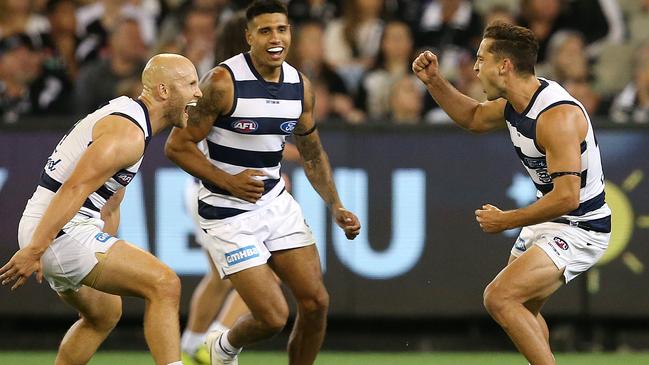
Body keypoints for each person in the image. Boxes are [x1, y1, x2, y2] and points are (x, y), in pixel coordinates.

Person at [164, 1, 361, 364]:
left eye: (282, 30)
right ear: (249, 36)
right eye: (266, 31)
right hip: (226, 212)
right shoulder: (222, 83)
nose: (275, 38)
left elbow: (313, 154)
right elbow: (177, 147)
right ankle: (221, 347)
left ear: (290, 34)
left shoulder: (299, 87)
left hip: (275, 203)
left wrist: (336, 205)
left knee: (316, 303)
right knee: (272, 317)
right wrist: (228, 181)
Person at [412, 22, 611, 365]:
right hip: (550, 218)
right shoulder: (513, 105)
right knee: (525, 311)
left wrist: (507, 220)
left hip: (581, 228)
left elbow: (568, 197)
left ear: (503, 66)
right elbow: (473, 117)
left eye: (480, 58)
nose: (475, 67)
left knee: (500, 299)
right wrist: (435, 82)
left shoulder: (556, 116)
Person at [0, 53, 203, 365]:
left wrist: (99, 248)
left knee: (105, 314)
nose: (198, 93)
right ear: (164, 91)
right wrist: (37, 249)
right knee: (164, 283)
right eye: (191, 84)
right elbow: (75, 188)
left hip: (55, 228)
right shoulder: (128, 134)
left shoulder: (132, 120)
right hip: (57, 230)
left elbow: (110, 203)